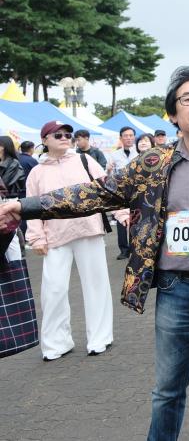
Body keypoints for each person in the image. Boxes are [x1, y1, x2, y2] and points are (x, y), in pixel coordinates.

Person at [0, 66, 189, 440]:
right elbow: (95, 193)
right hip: (174, 291)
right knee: (167, 393)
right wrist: (25, 206)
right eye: (188, 99)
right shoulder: (152, 162)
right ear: (173, 114)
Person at [25, 121, 114, 360]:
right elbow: (31, 207)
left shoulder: (85, 160)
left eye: (67, 134)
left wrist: (124, 214)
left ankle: (100, 338)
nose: (64, 137)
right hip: (55, 235)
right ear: (44, 140)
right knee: (53, 290)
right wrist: (36, 237)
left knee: (96, 285)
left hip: (89, 229)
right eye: (58, 135)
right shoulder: (36, 172)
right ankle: (56, 343)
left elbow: (108, 189)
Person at [107, 126, 137, 260]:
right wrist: (108, 170)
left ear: (134, 137)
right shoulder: (114, 155)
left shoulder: (140, 153)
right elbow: (109, 175)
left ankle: (135, 248)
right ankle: (124, 250)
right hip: (121, 191)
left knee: (136, 218)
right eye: (126, 136)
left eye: (131, 135)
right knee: (121, 220)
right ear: (121, 138)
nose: (129, 138)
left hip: (137, 190)